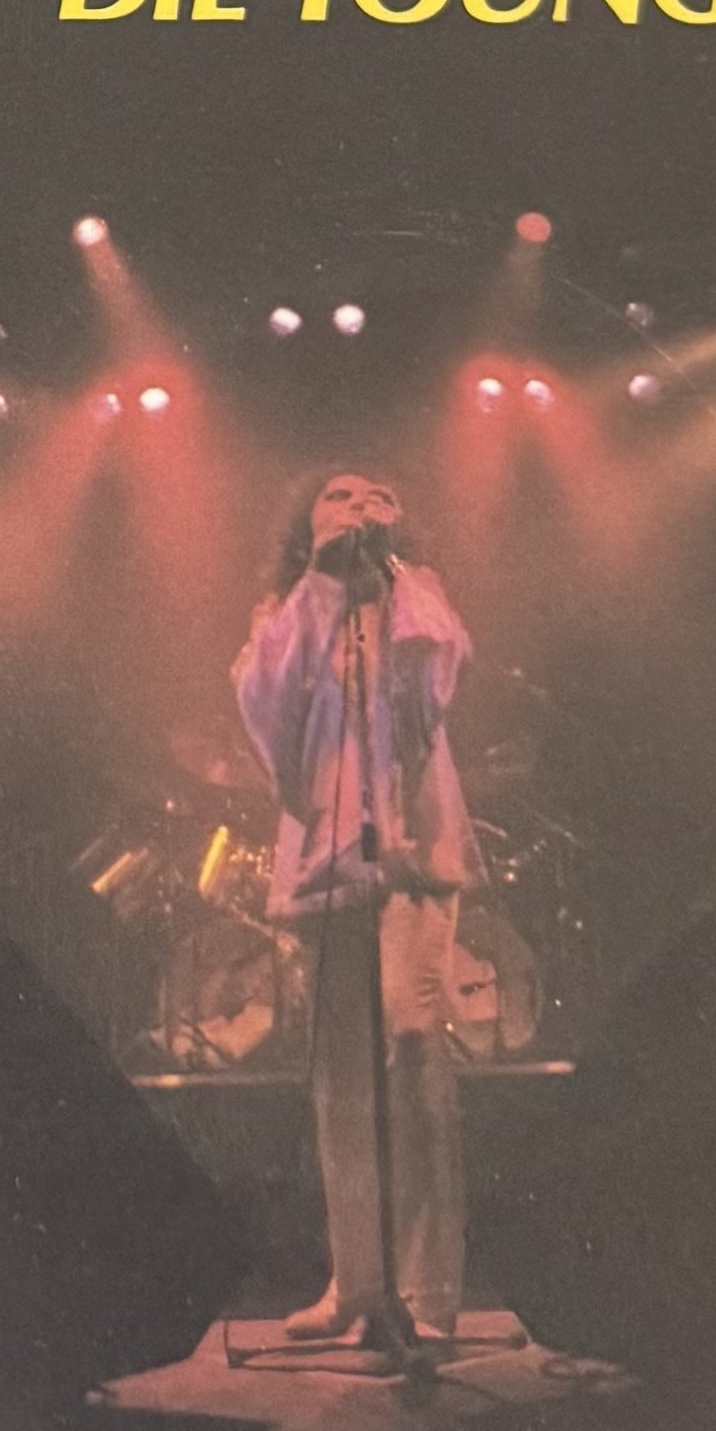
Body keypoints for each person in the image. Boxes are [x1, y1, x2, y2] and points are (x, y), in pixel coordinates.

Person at [234, 471, 476, 1343]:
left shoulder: (419, 596)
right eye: (337, 495)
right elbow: (264, 704)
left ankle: (428, 1291)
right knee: (342, 1080)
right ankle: (358, 1283)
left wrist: (386, 572)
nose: (358, 504)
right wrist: (323, 583)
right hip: (328, 867)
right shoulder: (287, 610)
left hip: (413, 856)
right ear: (306, 523)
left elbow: (433, 682)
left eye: (375, 494)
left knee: (411, 1045)